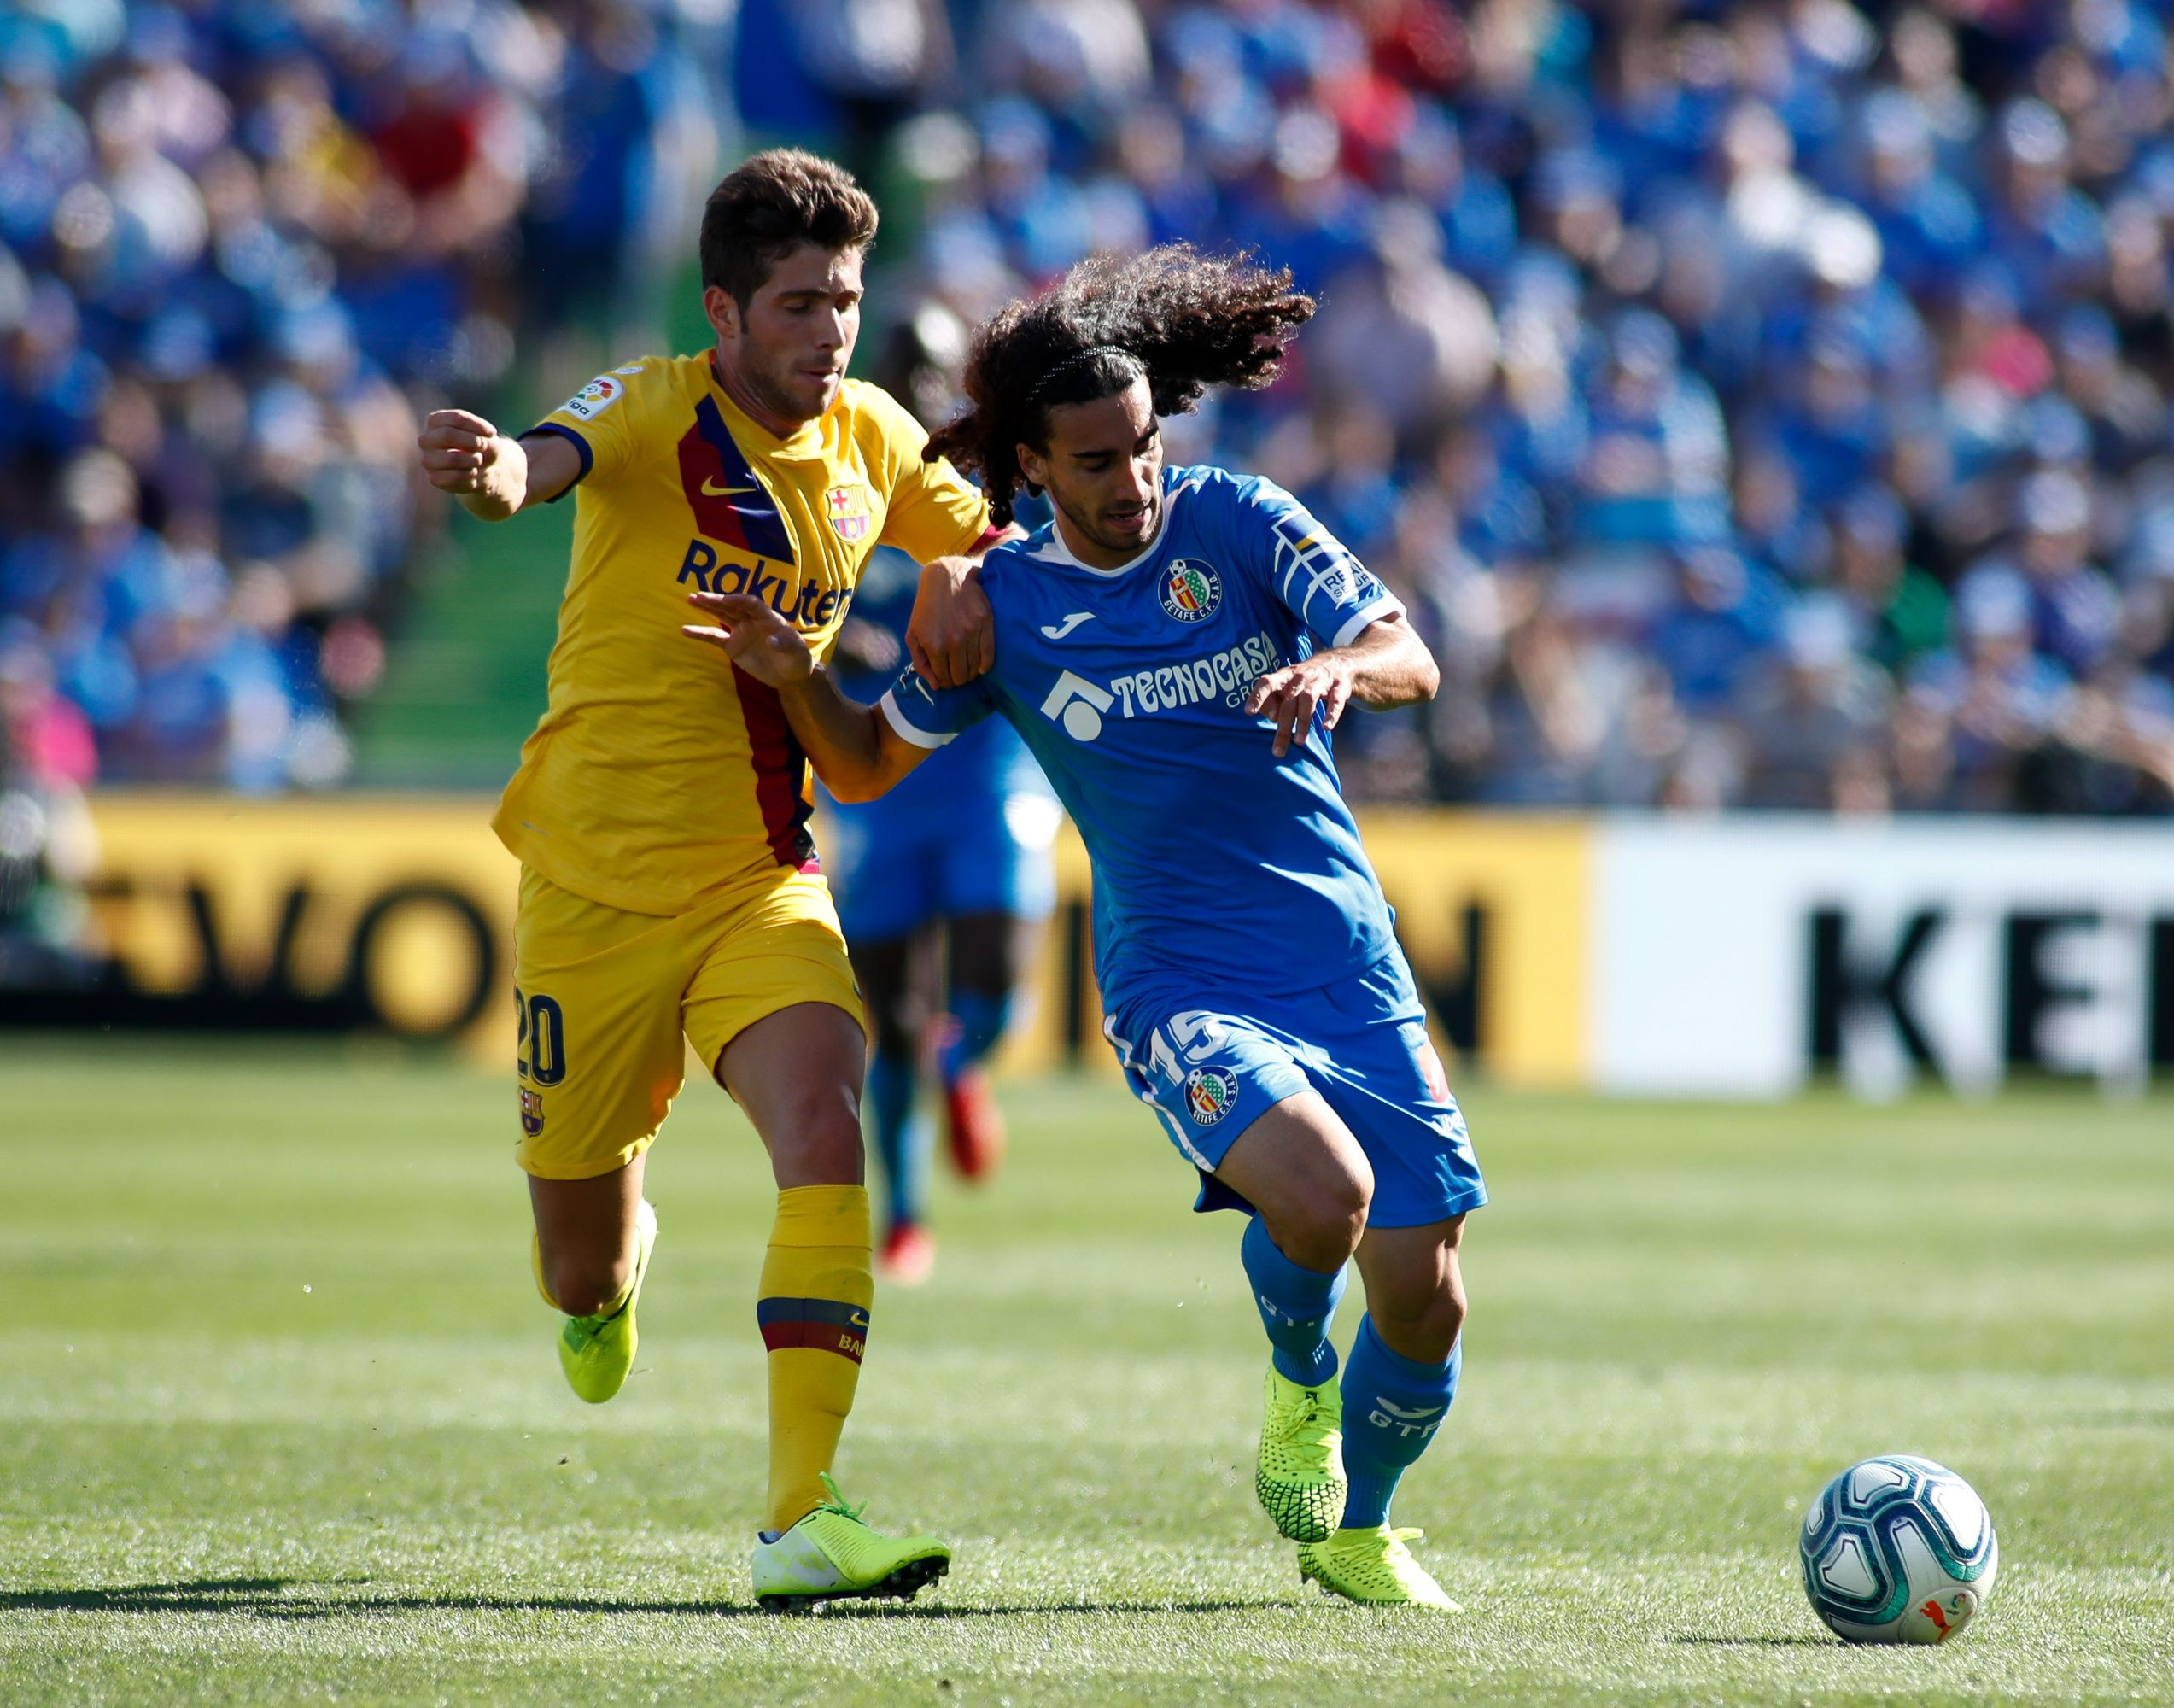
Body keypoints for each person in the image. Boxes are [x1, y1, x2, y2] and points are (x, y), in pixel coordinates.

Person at [686, 245, 1486, 1610]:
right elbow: (872, 765)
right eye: (1100, 462)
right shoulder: (1001, 610)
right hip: (1177, 980)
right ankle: (1300, 1383)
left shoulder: (1238, 521)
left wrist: (1340, 667)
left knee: (1430, 1297)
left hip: (1345, 961)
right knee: (1329, 1198)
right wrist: (796, 673)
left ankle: (1364, 1530)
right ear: (1036, 470)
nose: (1135, 482)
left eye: (1144, 448)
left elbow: (1407, 651)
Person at [412, 148, 1003, 1610]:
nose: (829, 333)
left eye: (847, 303)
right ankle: (612, 1279)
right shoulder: (650, 402)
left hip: (762, 880)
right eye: (799, 304)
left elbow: (992, 542)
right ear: (722, 313)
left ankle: (802, 1518)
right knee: (575, 1272)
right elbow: (535, 465)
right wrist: (489, 473)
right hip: (591, 893)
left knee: (825, 1118)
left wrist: (960, 569)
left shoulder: (873, 435)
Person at [823, 552, 1060, 1284]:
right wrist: (827, 642)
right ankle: (904, 1217)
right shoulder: (824, 491)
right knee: (890, 1019)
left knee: (996, 971)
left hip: (988, 766)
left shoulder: (1005, 492)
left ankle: (960, 1066)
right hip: (873, 775)